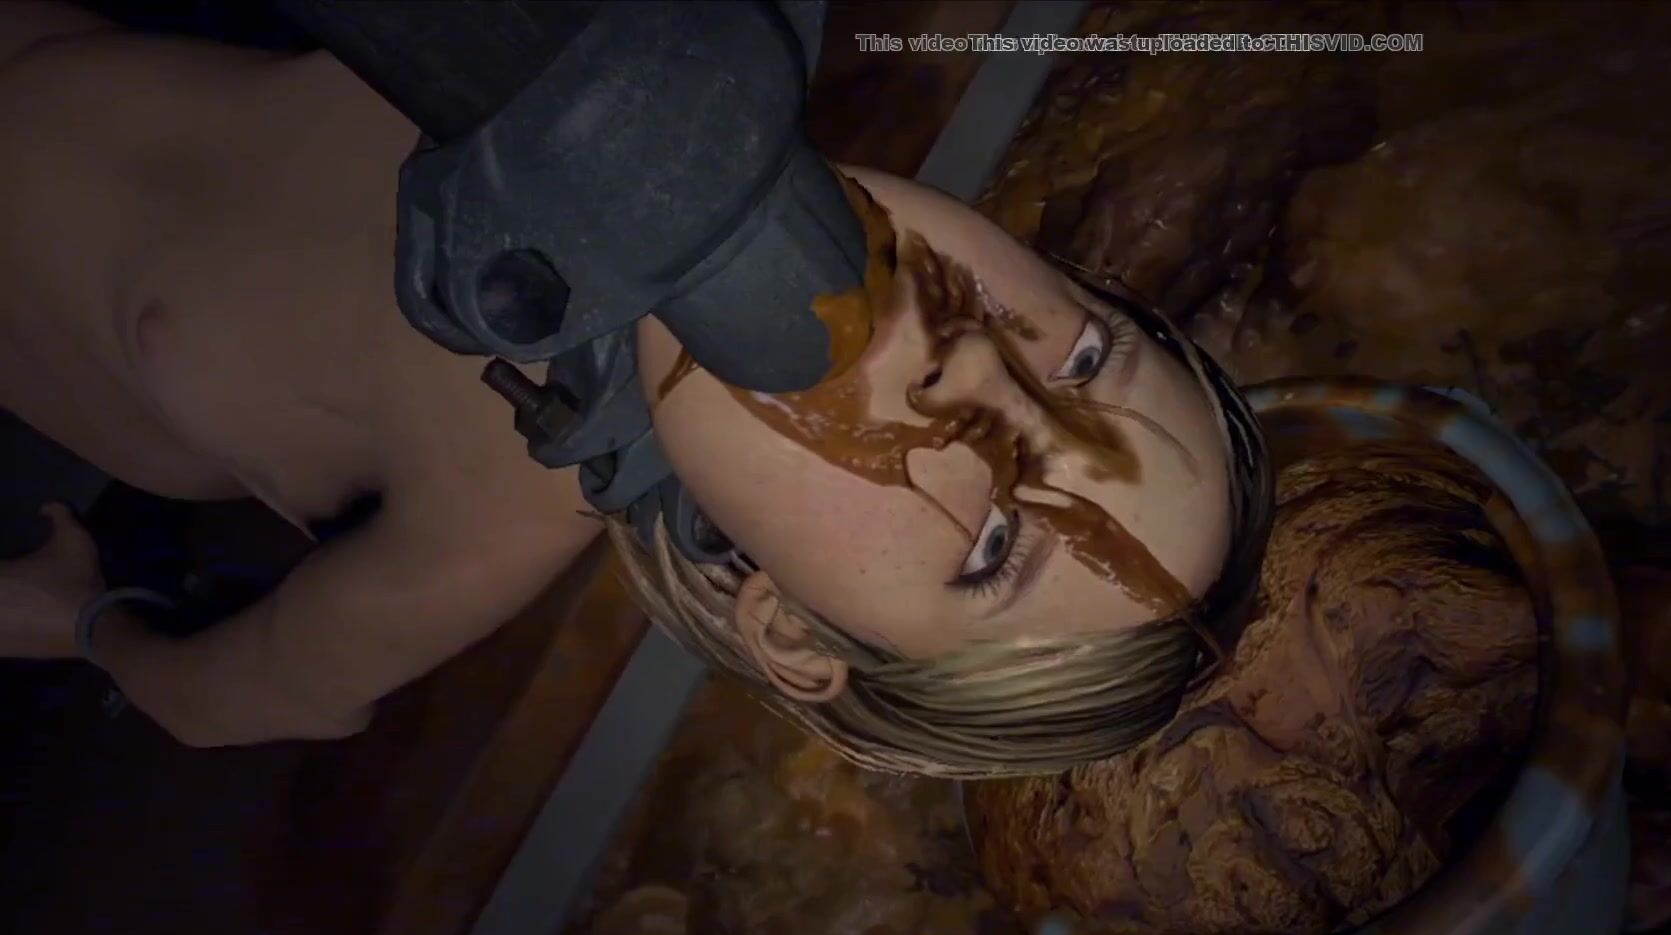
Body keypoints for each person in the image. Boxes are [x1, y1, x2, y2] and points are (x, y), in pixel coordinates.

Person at [0, 2, 1272, 770]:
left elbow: (246, 695)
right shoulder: (693, 49)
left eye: (992, 546)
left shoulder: (471, 526)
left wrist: (87, 619)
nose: (988, 368)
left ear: (791, 627)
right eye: (1088, 359)